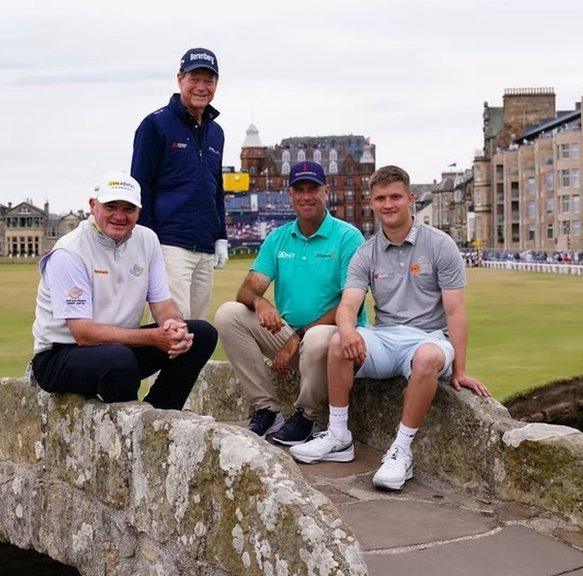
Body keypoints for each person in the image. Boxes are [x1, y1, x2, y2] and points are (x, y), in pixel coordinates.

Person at [288, 166, 491, 491]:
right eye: (381, 198)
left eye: (395, 196)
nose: (388, 204)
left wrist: (461, 369)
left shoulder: (440, 244)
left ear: (410, 199)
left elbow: (455, 310)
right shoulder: (366, 251)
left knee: (425, 357)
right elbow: (349, 306)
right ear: (372, 202)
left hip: (429, 339)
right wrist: (349, 329)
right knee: (340, 342)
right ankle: (339, 437)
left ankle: (401, 451)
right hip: (385, 337)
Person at [29, 175, 217, 410]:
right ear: (93, 205)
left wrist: (174, 329)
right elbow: (83, 334)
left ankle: (160, 416)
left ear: (138, 211)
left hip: (120, 345)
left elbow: (162, 304)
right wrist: (154, 338)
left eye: (128, 208)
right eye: (111, 207)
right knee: (120, 360)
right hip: (60, 354)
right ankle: (131, 428)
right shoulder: (70, 251)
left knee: (200, 334)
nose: (120, 216)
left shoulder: (147, 239)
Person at [215, 161, 366, 445]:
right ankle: (268, 410)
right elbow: (247, 291)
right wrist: (261, 304)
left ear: (326, 192)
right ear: (290, 194)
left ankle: (307, 416)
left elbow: (351, 305)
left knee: (319, 337)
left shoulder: (348, 236)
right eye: (300, 190)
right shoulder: (279, 237)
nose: (306, 196)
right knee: (228, 314)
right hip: (291, 338)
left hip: (335, 343)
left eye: (313, 189)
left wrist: (296, 337)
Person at [131, 47, 228, 320]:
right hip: (169, 243)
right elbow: (141, 186)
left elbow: (216, 187)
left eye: (208, 80)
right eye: (194, 78)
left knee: (197, 324)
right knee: (173, 324)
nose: (201, 87)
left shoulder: (216, 132)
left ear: (216, 84)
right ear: (179, 79)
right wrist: (148, 240)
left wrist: (221, 235)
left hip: (205, 245)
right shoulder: (156, 124)